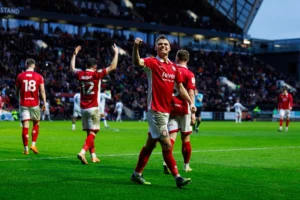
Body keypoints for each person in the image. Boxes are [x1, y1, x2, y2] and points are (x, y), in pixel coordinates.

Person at [131, 35, 196, 188]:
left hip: (166, 112)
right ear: (156, 48)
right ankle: (177, 177)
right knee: (166, 145)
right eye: (160, 44)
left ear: (170, 47)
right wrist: (135, 48)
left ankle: (136, 174)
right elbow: (136, 62)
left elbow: (180, 88)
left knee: (150, 145)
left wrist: (191, 103)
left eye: (165, 44)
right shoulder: (152, 62)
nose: (163, 46)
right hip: (156, 111)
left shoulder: (174, 67)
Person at [70, 44, 118, 164]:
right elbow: (113, 66)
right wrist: (116, 53)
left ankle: (93, 156)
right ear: (95, 66)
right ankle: (82, 152)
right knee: (93, 133)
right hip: (93, 108)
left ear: (86, 66)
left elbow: (72, 68)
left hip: (83, 108)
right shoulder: (97, 74)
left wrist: (74, 54)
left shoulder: (80, 74)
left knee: (89, 132)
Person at [165, 49, 196, 173]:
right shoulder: (189, 74)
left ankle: (166, 163)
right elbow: (191, 93)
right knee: (186, 138)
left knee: (171, 137)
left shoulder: (170, 70)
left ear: (177, 58)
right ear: (187, 60)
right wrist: (193, 112)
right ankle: (186, 165)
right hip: (184, 109)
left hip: (170, 108)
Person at [15, 58, 47, 154]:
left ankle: (26, 149)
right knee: (36, 123)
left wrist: (18, 97)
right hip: (34, 104)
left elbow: (16, 90)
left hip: (23, 104)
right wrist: (44, 102)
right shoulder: (39, 77)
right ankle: (33, 145)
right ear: (34, 65)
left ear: (26, 65)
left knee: (25, 126)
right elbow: (42, 91)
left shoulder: (20, 76)